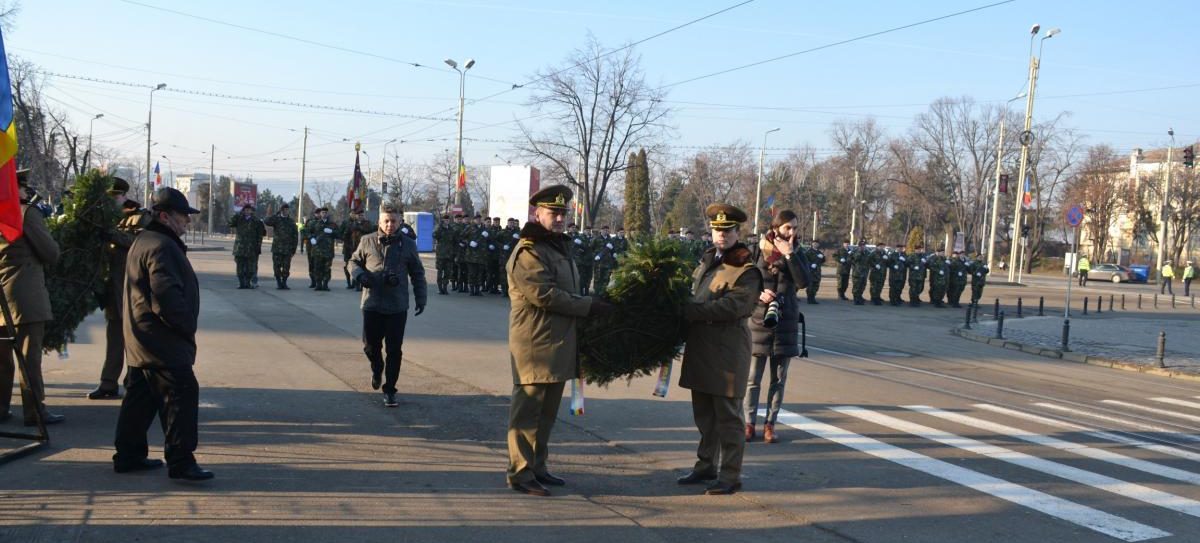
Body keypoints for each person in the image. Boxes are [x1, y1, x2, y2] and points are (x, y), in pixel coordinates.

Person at [505, 185, 611, 497]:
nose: (560, 218)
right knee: (527, 414)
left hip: (557, 342)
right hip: (535, 344)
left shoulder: (555, 247)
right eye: (554, 212)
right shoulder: (530, 251)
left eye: (563, 213)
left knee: (546, 414)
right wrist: (589, 306)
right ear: (536, 213)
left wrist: (590, 300)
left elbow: (570, 291)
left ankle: (537, 467)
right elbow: (544, 295)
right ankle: (520, 473)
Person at [113, 188, 212, 481]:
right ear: (166, 216)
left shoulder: (146, 240)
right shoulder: (161, 246)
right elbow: (165, 295)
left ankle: (128, 455)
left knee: (140, 397)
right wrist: (185, 326)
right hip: (161, 340)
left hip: (143, 338)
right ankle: (181, 462)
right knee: (181, 395)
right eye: (184, 217)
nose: (188, 223)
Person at [677, 203, 761, 496]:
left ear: (738, 232)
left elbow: (735, 306)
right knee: (704, 416)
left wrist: (690, 310)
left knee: (728, 417)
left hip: (727, 350)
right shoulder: (708, 260)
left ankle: (730, 475)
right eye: (717, 230)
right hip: (702, 347)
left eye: (727, 231)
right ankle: (705, 466)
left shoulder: (746, 269)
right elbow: (697, 292)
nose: (721, 235)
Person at [0, 168, 64, 426]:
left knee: (1, 360)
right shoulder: (26, 213)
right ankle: (35, 412)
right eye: (25, 187)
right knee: (29, 358)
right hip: (24, 297)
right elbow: (50, 252)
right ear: (18, 189)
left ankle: (1, 409)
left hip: (1, 299)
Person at [349, 202, 427, 407]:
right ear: (380, 221)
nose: (390, 225)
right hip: (372, 303)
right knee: (370, 347)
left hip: (397, 305)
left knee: (394, 349)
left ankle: (390, 389)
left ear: (400, 222)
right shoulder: (367, 241)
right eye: (386, 221)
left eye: (394, 221)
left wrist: (421, 297)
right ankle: (377, 368)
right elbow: (353, 262)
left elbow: (418, 273)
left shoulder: (408, 245)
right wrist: (361, 276)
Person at [745, 210, 808, 444]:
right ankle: (749, 423)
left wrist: (790, 256)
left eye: (794, 228)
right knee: (753, 378)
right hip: (759, 320)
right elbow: (744, 281)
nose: (791, 232)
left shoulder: (798, 252)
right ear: (776, 228)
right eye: (787, 228)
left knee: (778, 379)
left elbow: (803, 282)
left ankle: (770, 424)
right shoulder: (757, 250)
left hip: (786, 320)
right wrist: (758, 294)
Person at [89, 178, 151, 400]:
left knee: (135, 338)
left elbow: (141, 243)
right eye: (110, 197)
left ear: (125, 196)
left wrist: (113, 235)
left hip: (133, 286)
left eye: (116, 196)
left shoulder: (142, 217)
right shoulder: (107, 217)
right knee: (114, 337)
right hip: (113, 285)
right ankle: (108, 383)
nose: (113, 201)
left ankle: (135, 383)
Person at [228, 204, 266, 289]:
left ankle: (248, 283)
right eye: (246, 210)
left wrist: (258, 247)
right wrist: (237, 214)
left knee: (250, 268)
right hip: (240, 248)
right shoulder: (239, 219)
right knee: (240, 268)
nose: (247, 211)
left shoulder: (256, 221)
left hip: (251, 248)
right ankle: (241, 283)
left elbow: (260, 235)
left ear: (252, 211)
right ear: (243, 210)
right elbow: (230, 223)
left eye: (249, 210)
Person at [263, 203, 298, 290]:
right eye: (284, 210)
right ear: (281, 210)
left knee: (286, 267)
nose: (286, 211)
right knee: (276, 267)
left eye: (287, 209)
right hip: (277, 248)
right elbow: (266, 221)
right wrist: (276, 214)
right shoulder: (276, 219)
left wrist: (293, 249)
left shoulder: (291, 222)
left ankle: (284, 283)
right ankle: (279, 282)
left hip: (287, 249)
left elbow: (295, 236)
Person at [304, 207, 338, 291]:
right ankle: (318, 284)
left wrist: (332, 232)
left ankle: (325, 284)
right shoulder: (314, 223)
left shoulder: (332, 224)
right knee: (317, 268)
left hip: (328, 251)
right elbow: (306, 231)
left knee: (327, 268)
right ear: (320, 214)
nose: (324, 214)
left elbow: (340, 234)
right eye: (322, 213)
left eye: (325, 213)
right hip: (317, 251)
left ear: (327, 214)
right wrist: (311, 238)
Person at [341, 208, 373, 290]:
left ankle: (362, 284)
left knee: (364, 266)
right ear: (355, 216)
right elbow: (345, 235)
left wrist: (359, 227)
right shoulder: (351, 224)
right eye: (358, 215)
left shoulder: (367, 223)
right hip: (352, 249)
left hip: (365, 248)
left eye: (362, 215)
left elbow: (369, 230)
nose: (360, 217)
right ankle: (354, 284)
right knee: (353, 266)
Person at [433, 214, 454, 295]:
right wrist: (440, 227)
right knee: (440, 272)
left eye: (448, 220)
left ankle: (445, 288)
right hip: (441, 254)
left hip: (449, 254)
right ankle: (440, 288)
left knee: (447, 272)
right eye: (445, 220)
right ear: (443, 221)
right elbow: (434, 235)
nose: (447, 221)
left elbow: (454, 240)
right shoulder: (439, 228)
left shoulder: (451, 229)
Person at [802, 240, 824, 304]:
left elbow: (822, 261)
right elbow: (804, 260)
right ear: (812, 244)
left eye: (817, 243)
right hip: (811, 271)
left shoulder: (819, 252)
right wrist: (810, 264)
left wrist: (823, 257)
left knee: (816, 285)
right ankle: (809, 298)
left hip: (817, 271)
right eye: (814, 243)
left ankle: (813, 298)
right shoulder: (808, 252)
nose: (815, 245)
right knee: (810, 285)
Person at [887, 242, 908, 307]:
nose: (901, 249)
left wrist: (905, 260)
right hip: (894, 275)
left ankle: (897, 298)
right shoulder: (892, 254)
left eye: (901, 248)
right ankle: (892, 300)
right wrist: (893, 266)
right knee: (893, 288)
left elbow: (908, 263)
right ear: (897, 248)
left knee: (899, 287)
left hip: (901, 274)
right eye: (899, 248)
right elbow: (888, 263)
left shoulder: (904, 255)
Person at [850, 240, 870, 305]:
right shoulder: (855, 251)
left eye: (864, 245)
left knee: (862, 285)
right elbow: (854, 259)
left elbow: (869, 260)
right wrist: (859, 252)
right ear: (859, 246)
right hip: (857, 272)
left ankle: (859, 296)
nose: (863, 247)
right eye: (861, 246)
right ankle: (856, 299)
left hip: (864, 272)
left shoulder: (867, 252)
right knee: (856, 286)